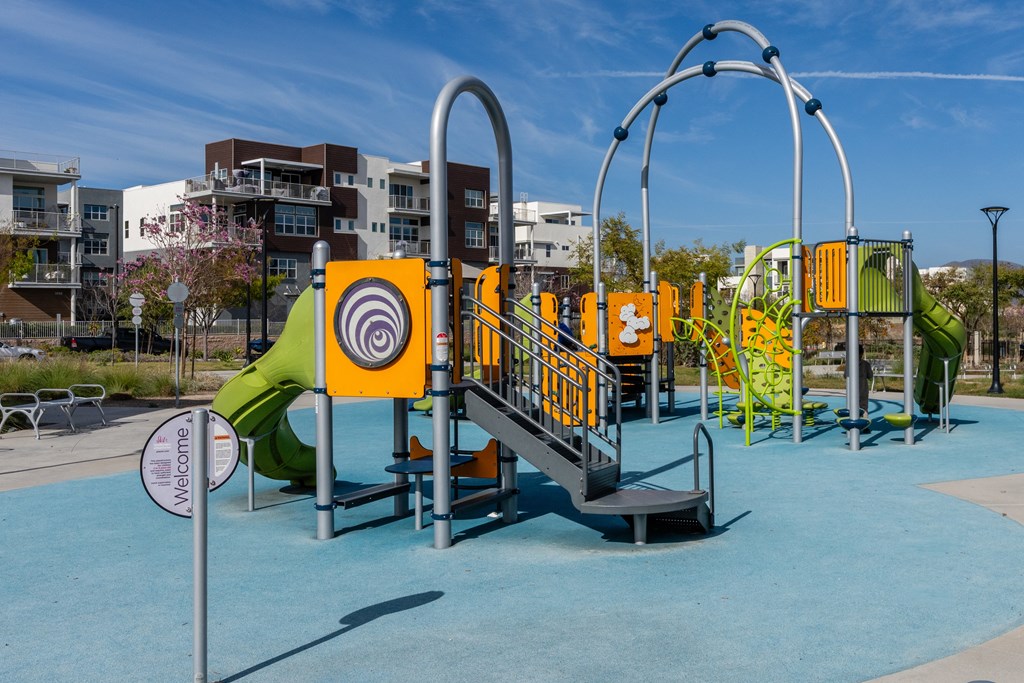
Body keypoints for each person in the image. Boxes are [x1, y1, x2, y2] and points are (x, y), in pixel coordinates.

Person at [844, 345, 874, 431]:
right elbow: (870, 376)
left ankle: (852, 424)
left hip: (852, 390)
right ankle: (865, 426)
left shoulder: (849, 364)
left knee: (852, 407)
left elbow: (845, 375)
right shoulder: (866, 364)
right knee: (864, 408)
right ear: (862, 353)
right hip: (863, 389)